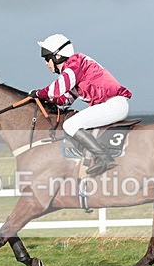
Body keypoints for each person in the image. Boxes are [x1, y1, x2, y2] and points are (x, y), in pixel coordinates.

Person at [29, 34, 132, 176]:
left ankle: (104, 159)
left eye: (47, 58)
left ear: (57, 56)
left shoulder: (75, 63)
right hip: (112, 105)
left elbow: (56, 89)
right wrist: (43, 100)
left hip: (113, 105)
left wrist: (38, 93)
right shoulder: (74, 72)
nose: (46, 63)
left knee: (70, 125)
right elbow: (64, 99)